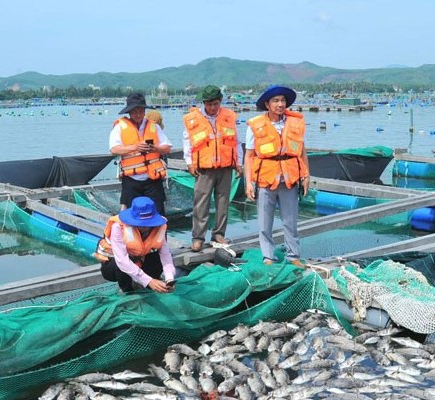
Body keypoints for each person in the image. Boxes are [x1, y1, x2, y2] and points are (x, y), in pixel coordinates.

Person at [244, 85, 309, 267]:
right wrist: (248, 183)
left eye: (283, 100)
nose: (280, 104)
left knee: (291, 221)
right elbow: (249, 156)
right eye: (276, 101)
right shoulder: (255, 126)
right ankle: (268, 257)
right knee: (265, 222)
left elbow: (302, 152)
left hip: (290, 178)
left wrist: (306, 175)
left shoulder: (295, 124)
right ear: (267, 104)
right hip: (265, 179)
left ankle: (293, 255)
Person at [182, 85, 243, 252]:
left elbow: (236, 141)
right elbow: (187, 142)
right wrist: (189, 163)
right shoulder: (192, 119)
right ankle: (198, 238)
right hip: (204, 168)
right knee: (201, 202)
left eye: (216, 103)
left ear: (220, 101)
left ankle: (218, 234)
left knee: (223, 201)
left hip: (225, 166)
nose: (213, 107)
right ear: (204, 103)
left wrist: (239, 162)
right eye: (209, 104)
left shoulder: (229, 116)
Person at [94, 196, 176, 293]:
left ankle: (151, 287)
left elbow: (165, 255)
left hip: (142, 259)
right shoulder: (118, 227)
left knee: (156, 257)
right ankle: (126, 291)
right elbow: (122, 261)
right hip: (115, 264)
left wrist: (169, 278)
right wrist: (148, 281)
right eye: (141, 223)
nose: (145, 227)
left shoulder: (160, 227)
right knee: (120, 266)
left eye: (148, 223)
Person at [109, 93, 172, 215]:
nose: (138, 114)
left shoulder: (154, 126)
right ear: (129, 112)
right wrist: (135, 147)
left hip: (152, 179)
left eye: (140, 111)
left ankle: (159, 234)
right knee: (132, 216)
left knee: (158, 214)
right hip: (131, 180)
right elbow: (114, 150)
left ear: (144, 111)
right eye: (134, 111)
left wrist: (155, 148)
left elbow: (167, 148)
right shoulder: (120, 127)